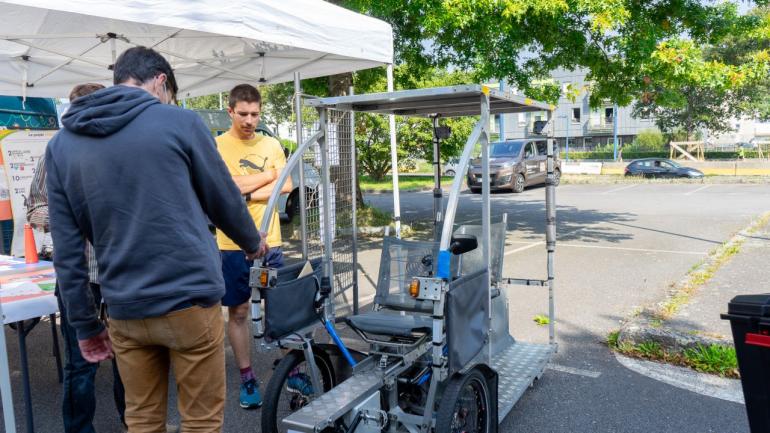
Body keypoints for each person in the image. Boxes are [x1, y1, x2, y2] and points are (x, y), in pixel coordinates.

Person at [46, 46, 267, 433]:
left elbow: (67, 252)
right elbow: (223, 199)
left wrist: (84, 324)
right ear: (161, 81)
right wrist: (252, 243)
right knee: (200, 422)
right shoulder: (179, 123)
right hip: (189, 301)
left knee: (143, 420)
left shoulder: (62, 145)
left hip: (124, 307)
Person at [27, 83, 129, 433]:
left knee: (128, 359)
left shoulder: (124, 151)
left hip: (121, 273)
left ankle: (134, 422)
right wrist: (73, 216)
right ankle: (79, 428)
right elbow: (35, 209)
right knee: (80, 364)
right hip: (78, 275)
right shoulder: (55, 153)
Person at [216, 84, 291, 409]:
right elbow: (223, 187)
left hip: (270, 240)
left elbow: (286, 184)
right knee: (239, 311)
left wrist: (244, 189)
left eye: (255, 114)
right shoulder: (217, 145)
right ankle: (247, 377)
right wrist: (268, 176)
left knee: (282, 307)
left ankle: (292, 369)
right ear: (230, 112)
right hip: (231, 243)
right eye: (243, 114)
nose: (249, 120)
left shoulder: (271, 143)